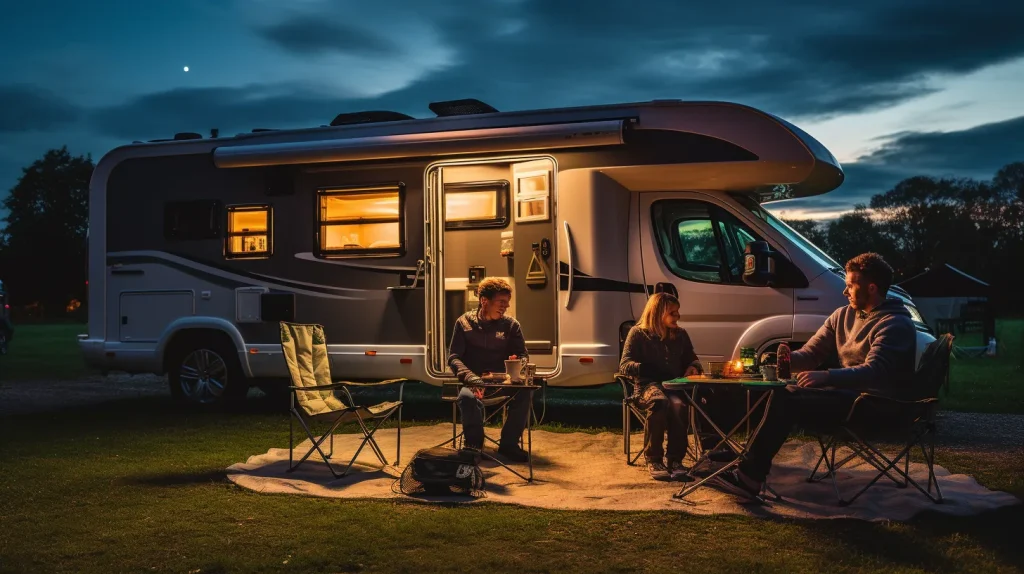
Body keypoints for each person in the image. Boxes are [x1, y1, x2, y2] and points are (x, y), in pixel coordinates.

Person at [716, 252, 917, 498]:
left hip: (873, 404)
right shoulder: (842, 316)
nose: (845, 292)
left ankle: (748, 478)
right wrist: (782, 360)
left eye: (851, 286)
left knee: (787, 400)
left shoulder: (895, 324)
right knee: (776, 391)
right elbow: (811, 354)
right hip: (845, 396)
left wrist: (827, 376)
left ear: (872, 288)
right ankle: (727, 459)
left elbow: (875, 373)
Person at [619, 292, 703, 481]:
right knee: (659, 402)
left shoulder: (680, 335)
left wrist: (692, 367)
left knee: (679, 405)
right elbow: (624, 365)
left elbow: (693, 359)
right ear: (658, 313)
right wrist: (647, 368)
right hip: (647, 386)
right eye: (673, 313)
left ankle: (675, 459)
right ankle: (654, 459)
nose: (678, 317)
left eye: (677, 312)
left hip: (673, 386)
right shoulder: (638, 334)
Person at [447, 277, 531, 462]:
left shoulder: (511, 325)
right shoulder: (464, 323)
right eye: (502, 302)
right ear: (484, 300)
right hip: (474, 382)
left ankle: (508, 445)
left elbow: (523, 355)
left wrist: (518, 365)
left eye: (507, 302)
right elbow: (453, 357)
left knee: (525, 393)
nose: (506, 306)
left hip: (503, 383)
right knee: (467, 398)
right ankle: (474, 447)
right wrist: (469, 377)